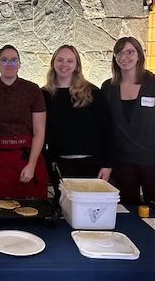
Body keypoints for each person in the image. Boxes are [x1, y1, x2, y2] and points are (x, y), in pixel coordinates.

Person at [101, 37, 155, 205]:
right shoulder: (108, 87)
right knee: (127, 211)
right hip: (122, 162)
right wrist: (107, 163)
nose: (124, 57)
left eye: (130, 52)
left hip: (153, 162)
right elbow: (104, 128)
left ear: (139, 55)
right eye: (119, 53)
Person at [42, 45, 115, 204]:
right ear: (53, 63)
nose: (64, 64)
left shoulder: (92, 92)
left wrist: (108, 164)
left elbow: (108, 130)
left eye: (70, 61)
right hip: (61, 164)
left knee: (91, 207)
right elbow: (42, 131)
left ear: (77, 65)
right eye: (60, 60)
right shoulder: (44, 94)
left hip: (92, 163)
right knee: (66, 208)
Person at [0, 45, 48, 198]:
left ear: (20, 64)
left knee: (31, 210)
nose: (9, 64)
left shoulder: (32, 90)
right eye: (4, 61)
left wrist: (31, 165)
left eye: (13, 60)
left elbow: (39, 130)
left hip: (27, 157)